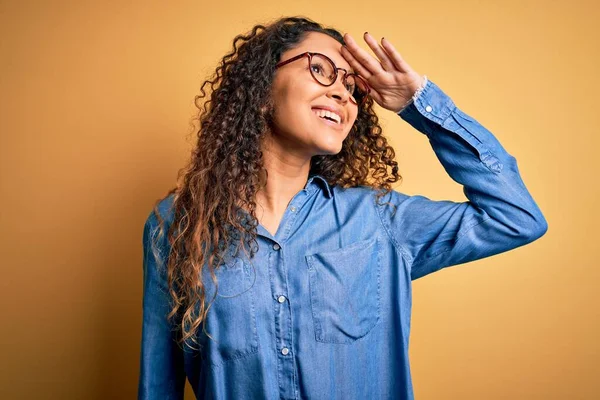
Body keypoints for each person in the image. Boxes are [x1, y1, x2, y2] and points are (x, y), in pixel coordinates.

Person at [138, 16, 548, 400]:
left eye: (352, 87)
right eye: (320, 69)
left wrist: (418, 105)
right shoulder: (176, 225)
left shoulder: (380, 222)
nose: (341, 92)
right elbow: (159, 384)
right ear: (262, 88)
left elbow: (516, 217)